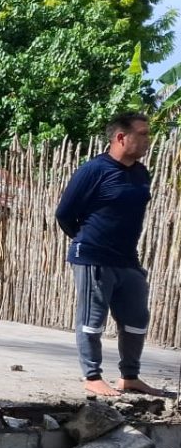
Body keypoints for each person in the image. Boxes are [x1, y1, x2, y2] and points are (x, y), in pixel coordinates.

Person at [55, 112, 164, 397]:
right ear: (120, 137)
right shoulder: (94, 170)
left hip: (127, 259)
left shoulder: (141, 173)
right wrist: (87, 241)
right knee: (92, 320)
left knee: (137, 319)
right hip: (94, 257)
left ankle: (130, 376)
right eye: (142, 134)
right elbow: (65, 214)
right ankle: (92, 376)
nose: (147, 140)